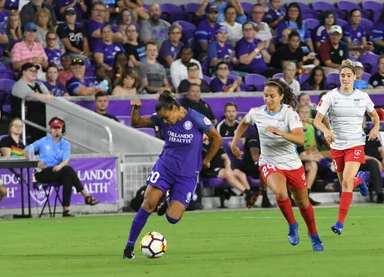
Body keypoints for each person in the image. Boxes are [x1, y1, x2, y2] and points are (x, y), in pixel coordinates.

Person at [122, 93, 223, 259]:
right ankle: (129, 247)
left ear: (175, 109)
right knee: (148, 204)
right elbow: (136, 122)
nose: (165, 121)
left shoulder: (195, 118)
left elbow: (217, 138)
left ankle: (167, 199)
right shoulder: (161, 117)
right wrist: (136, 109)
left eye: (167, 117)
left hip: (188, 174)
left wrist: (207, 160)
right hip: (165, 168)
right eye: (163, 118)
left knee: (173, 218)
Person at [230, 79, 323, 251]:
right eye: (265, 96)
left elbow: (299, 138)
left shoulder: (289, 114)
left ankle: (314, 234)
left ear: (280, 97)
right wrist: (234, 143)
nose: (268, 99)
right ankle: (292, 225)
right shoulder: (256, 113)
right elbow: (243, 123)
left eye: (272, 96)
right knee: (280, 193)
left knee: (303, 203)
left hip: (292, 164)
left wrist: (279, 132)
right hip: (269, 162)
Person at [313, 60, 380, 236]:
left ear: (355, 77)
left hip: (356, 143)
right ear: (339, 78)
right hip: (337, 145)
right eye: (342, 75)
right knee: (346, 183)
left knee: (346, 182)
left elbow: (375, 116)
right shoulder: (330, 96)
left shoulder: (363, 97)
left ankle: (339, 223)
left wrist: (375, 127)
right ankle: (360, 180)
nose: (345, 78)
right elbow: (316, 121)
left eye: (348, 75)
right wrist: (326, 130)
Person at [26, 117, 99, 217]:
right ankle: (86, 195)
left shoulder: (65, 144)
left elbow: (65, 160)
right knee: (68, 170)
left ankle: (66, 210)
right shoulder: (43, 141)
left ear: (62, 129)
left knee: (67, 177)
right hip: (42, 172)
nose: (56, 130)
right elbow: (25, 151)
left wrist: (59, 166)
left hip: (57, 171)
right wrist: (36, 162)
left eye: (58, 128)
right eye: (54, 128)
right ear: (50, 129)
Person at [201, 133, 255, 208]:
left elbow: (226, 158)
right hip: (210, 169)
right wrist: (227, 170)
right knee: (227, 173)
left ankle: (249, 199)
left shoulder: (215, 143)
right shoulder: (199, 146)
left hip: (223, 167)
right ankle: (247, 192)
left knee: (240, 174)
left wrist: (228, 167)